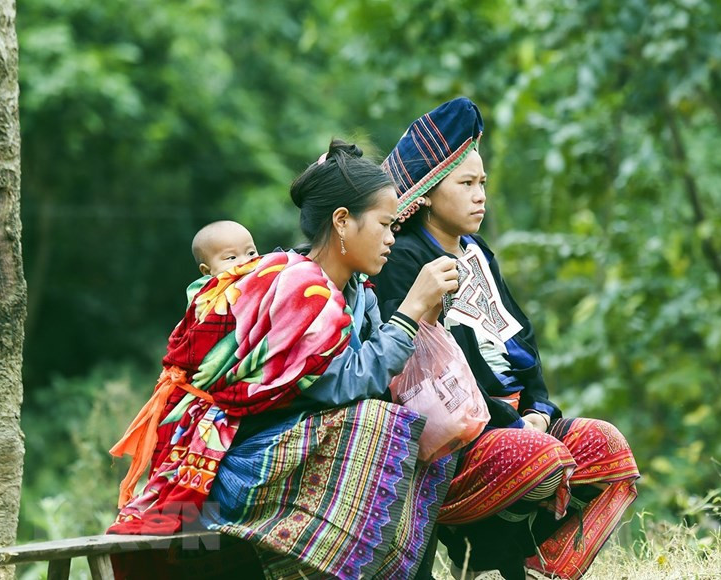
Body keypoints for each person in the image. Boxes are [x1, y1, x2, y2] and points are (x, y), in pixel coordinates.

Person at [107, 139, 461, 579]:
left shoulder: (357, 294)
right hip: (226, 465)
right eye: (386, 224)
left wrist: (425, 315)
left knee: (413, 435)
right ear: (342, 222)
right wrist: (408, 312)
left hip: (285, 451)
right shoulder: (297, 286)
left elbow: (377, 375)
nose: (392, 238)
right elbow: (346, 385)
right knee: (374, 427)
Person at [372, 98, 640, 580]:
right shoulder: (404, 260)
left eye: (483, 185)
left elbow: (521, 339)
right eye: (467, 184)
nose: (480, 197)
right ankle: (491, 549)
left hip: (519, 418)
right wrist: (511, 421)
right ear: (429, 192)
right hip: (462, 431)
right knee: (543, 458)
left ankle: (532, 560)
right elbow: (426, 371)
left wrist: (538, 407)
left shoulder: (477, 251)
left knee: (606, 446)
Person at [185, 220, 259, 303]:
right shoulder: (202, 296)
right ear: (207, 271)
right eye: (232, 258)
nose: (246, 261)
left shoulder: (264, 270)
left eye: (251, 253)